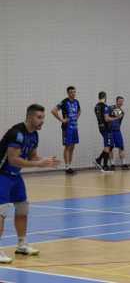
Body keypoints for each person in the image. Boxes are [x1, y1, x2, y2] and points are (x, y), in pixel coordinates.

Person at [0, 104, 60, 263]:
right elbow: (14, 159)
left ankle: (21, 244)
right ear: (30, 117)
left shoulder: (34, 135)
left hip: (15, 176)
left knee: (22, 207)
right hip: (2, 175)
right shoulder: (17, 134)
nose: (42, 121)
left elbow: (32, 156)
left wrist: (45, 161)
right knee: (1, 211)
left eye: (43, 118)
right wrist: (38, 165)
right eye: (39, 117)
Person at [51, 86, 81, 175]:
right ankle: (67, 167)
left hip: (74, 127)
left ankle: (70, 166)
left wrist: (76, 117)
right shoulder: (64, 102)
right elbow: (53, 110)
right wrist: (62, 120)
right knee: (67, 147)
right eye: (71, 92)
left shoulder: (76, 102)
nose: (73, 94)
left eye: (74, 92)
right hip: (67, 128)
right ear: (68, 93)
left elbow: (79, 111)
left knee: (72, 147)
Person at [94, 92, 121, 172]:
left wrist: (112, 114)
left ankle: (99, 160)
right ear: (105, 97)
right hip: (106, 128)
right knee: (108, 146)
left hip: (101, 127)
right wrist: (116, 117)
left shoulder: (96, 106)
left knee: (111, 145)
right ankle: (105, 166)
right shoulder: (105, 106)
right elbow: (106, 119)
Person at [110, 96, 128, 170]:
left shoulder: (122, 112)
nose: (121, 103)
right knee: (110, 148)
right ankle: (112, 164)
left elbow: (119, 122)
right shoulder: (110, 108)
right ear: (116, 101)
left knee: (121, 147)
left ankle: (123, 164)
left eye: (122, 101)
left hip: (117, 131)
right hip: (110, 131)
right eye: (119, 101)